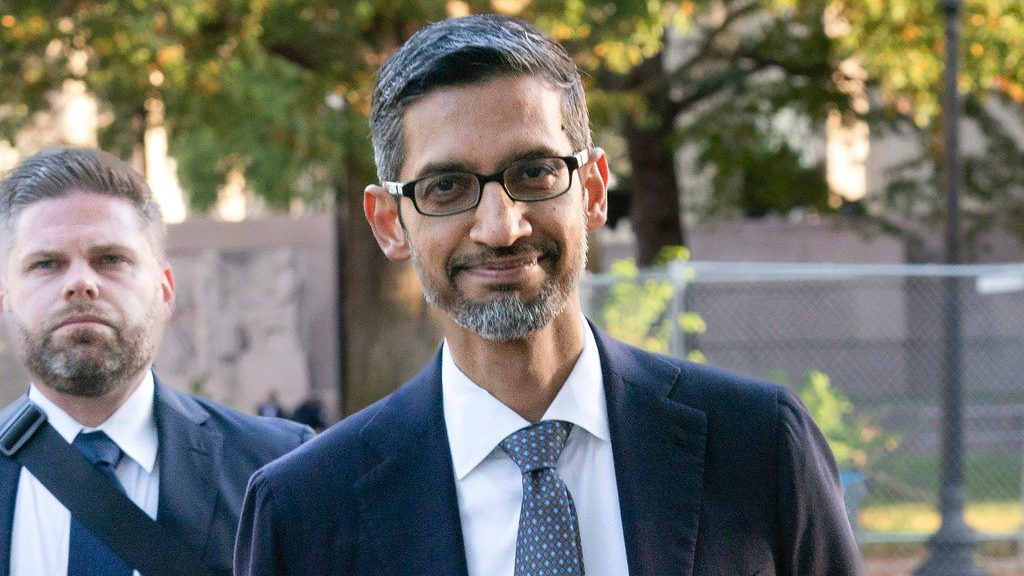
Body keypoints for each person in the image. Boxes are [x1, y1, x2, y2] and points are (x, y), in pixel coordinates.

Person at [235, 14, 861, 576]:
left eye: (533, 173)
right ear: (388, 223)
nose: (500, 227)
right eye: (447, 186)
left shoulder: (756, 447)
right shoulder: (305, 512)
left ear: (591, 190)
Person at [0, 148, 313, 576]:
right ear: (3, 302)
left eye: (110, 259)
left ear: (165, 290)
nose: (80, 283)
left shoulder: (282, 467)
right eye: (46, 264)